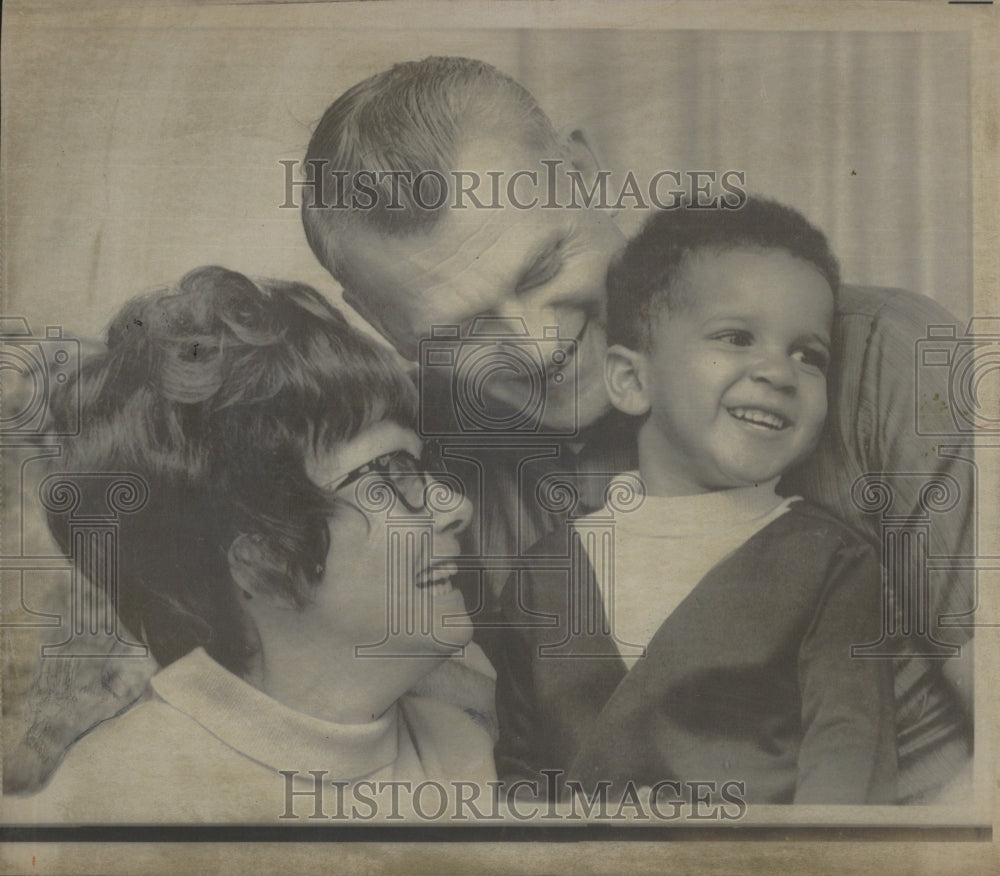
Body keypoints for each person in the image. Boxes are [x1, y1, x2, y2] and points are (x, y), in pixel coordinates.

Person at [15, 55, 973, 805]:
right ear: (383, 328)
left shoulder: (879, 356)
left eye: (543, 267)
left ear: (591, 174)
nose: (535, 348)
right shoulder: (422, 466)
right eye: (460, 327)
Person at [8, 267, 496, 822]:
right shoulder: (117, 803)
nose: (457, 506)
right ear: (260, 558)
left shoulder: (470, 743)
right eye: (393, 473)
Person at [494, 198, 897, 804]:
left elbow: (848, 780)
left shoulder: (831, 562)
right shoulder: (543, 575)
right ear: (632, 381)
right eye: (737, 338)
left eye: (808, 355)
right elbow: (520, 784)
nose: (780, 373)